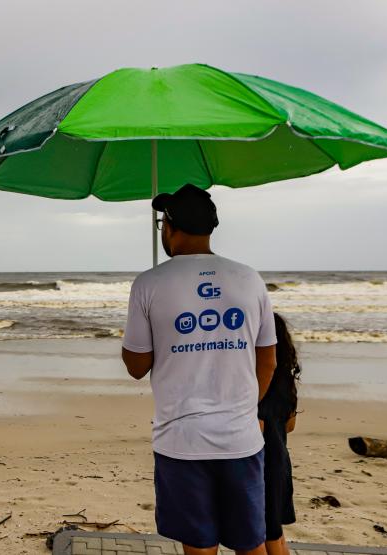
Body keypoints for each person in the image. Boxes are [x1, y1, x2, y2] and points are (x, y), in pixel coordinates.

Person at [121, 183, 277, 555]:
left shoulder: (149, 283)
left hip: (181, 440)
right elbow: (268, 360)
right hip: (240, 438)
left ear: (169, 228)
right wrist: (246, 410)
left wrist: (163, 334)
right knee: (250, 544)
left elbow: (136, 366)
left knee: (200, 546)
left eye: (162, 223)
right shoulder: (249, 278)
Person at [259, 313, 300, 555]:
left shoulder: (256, 382)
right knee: (276, 534)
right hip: (281, 462)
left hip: (264, 466)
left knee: (268, 535)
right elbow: (290, 426)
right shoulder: (286, 380)